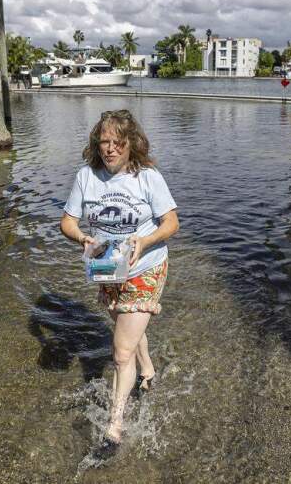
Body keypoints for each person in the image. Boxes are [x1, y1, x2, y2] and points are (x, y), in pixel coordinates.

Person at [60, 109, 179, 458]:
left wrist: (145, 242)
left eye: (117, 142)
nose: (110, 149)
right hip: (106, 267)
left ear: (131, 144)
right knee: (127, 326)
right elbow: (67, 222)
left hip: (146, 266)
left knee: (120, 350)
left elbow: (172, 223)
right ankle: (149, 370)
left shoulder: (147, 177)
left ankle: (114, 429)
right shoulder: (87, 176)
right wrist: (82, 238)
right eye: (104, 142)